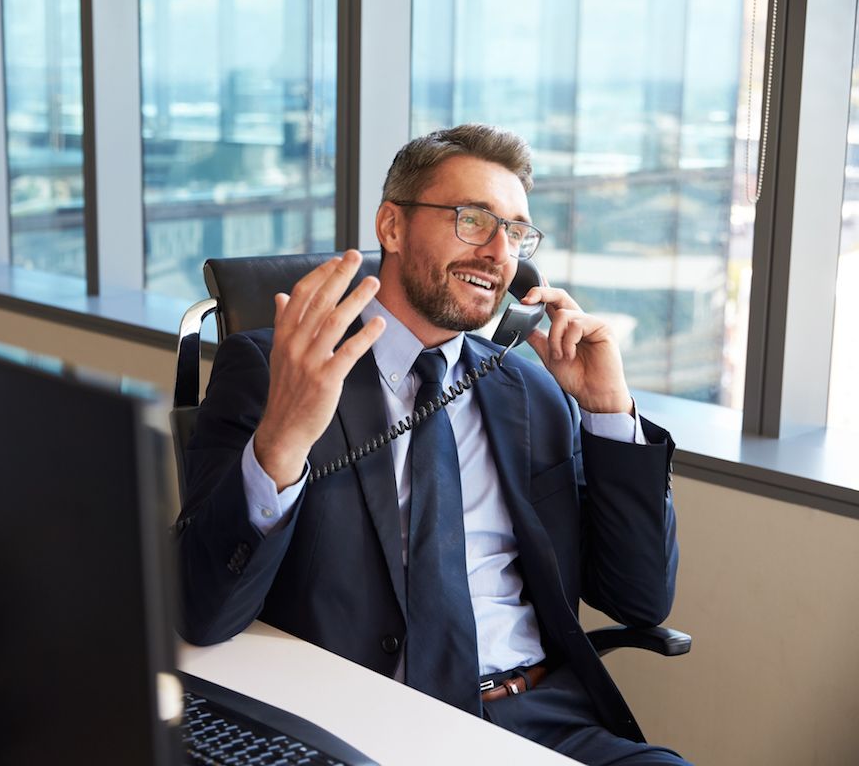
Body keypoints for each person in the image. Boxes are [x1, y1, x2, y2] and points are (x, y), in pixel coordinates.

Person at [176, 124, 688, 765]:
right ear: (390, 227)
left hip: (539, 721)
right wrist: (282, 437)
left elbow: (639, 598)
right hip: (365, 725)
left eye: (516, 231)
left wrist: (609, 413)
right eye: (472, 219)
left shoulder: (529, 386)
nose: (499, 251)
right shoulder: (278, 369)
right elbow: (200, 609)